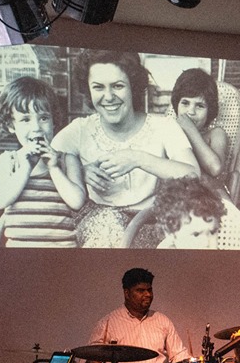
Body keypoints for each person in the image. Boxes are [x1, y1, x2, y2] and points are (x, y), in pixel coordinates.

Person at [51, 50, 200, 248]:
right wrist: (78, 171)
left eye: (118, 86)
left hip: (150, 221)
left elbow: (193, 175)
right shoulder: (79, 129)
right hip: (99, 222)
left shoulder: (163, 126)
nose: (108, 97)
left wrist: (137, 159)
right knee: (107, 230)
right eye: (98, 87)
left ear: (133, 86)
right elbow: (45, 162)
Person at [0, 76, 86, 247]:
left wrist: (54, 168)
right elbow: (0, 200)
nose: (36, 127)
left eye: (43, 118)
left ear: (54, 121)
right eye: (25, 119)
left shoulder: (67, 161)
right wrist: (26, 167)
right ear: (11, 125)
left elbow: (77, 202)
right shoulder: (9, 161)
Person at [171, 68, 229, 190]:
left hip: (208, 196)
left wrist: (191, 130)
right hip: (176, 196)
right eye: (185, 103)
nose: (191, 112)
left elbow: (215, 168)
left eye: (200, 106)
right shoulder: (170, 134)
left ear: (210, 111)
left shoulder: (215, 135)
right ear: (176, 105)